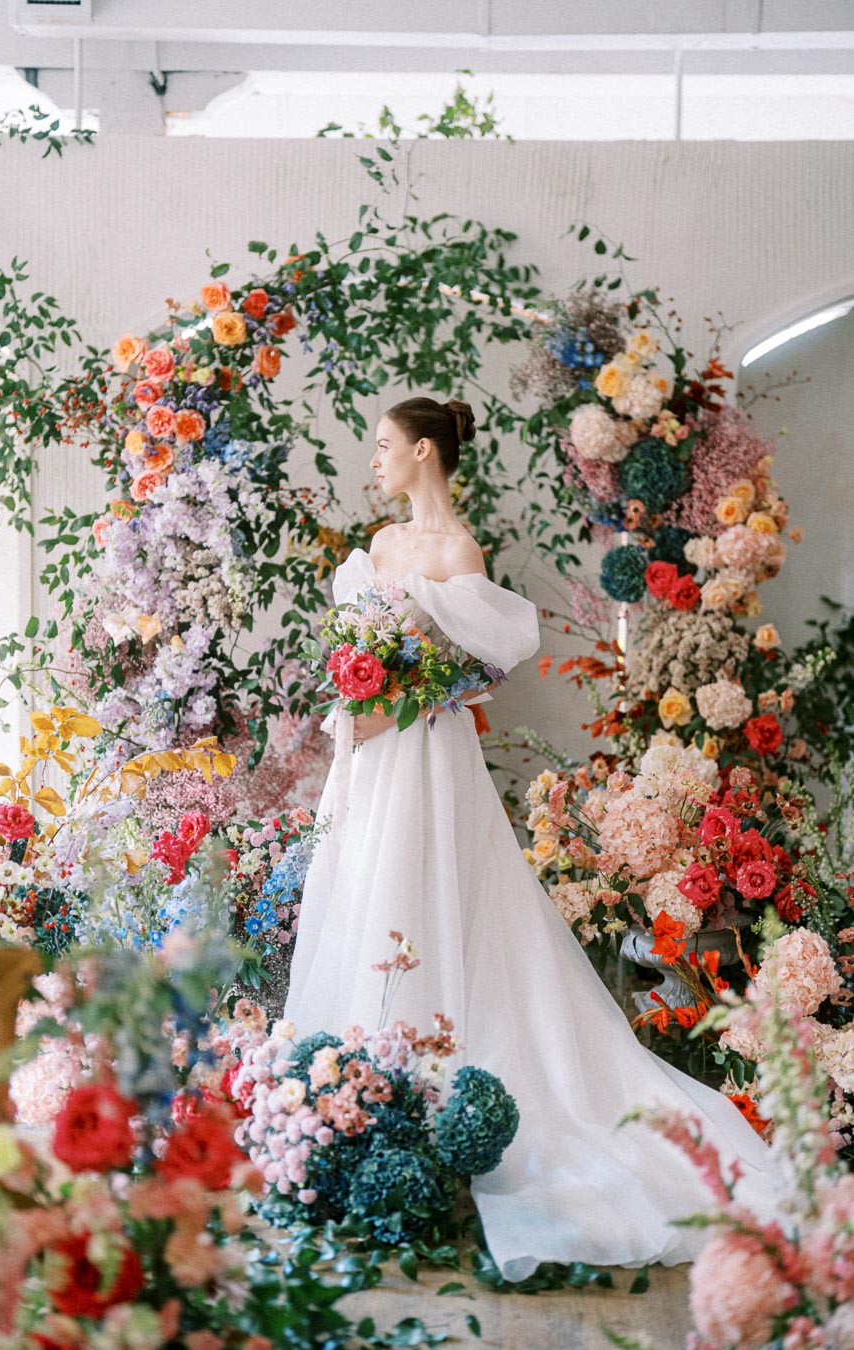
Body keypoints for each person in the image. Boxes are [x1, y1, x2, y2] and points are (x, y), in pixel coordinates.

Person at [283, 395, 782, 1282]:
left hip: (432, 757)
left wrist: (420, 672)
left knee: (439, 895)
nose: (374, 459)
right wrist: (359, 703)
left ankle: (450, 1091)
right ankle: (353, 1104)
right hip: (373, 753)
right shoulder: (381, 552)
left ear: (425, 451)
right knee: (360, 895)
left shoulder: (457, 553)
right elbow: (354, 650)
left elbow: (481, 669)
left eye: (384, 444)